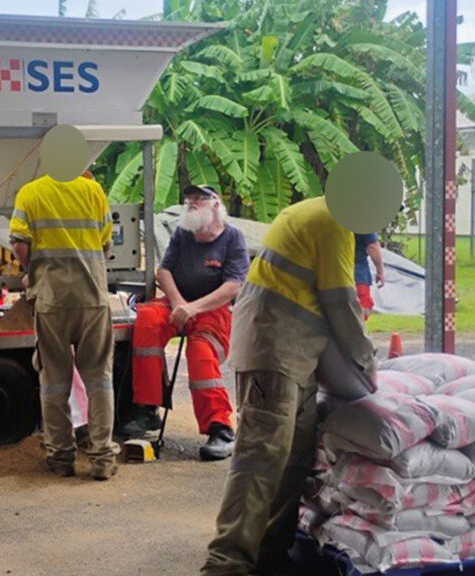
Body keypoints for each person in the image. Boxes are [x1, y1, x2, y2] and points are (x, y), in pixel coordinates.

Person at [202, 196, 377, 576]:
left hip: (295, 355)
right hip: (274, 353)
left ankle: (270, 552)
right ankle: (227, 562)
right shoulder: (333, 223)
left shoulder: (313, 212)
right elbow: (341, 303)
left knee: (294, 461)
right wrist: (367, 362)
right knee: (260, 461)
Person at [119, 185, 249, 462]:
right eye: (189, 198)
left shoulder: (233, 238)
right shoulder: (182, 234)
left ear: (215, 204)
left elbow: (233, 286)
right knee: (148, 319)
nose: (191, 203)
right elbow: (164, 270)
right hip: (179, 302)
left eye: (198, 199)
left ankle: (219, 428)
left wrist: (194, 308)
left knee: (201, 353)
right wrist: (179, 304)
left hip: (212, 310)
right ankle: (146, 408)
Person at [10, 171, 117, 481]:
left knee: (55, 379)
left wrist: (34, 271)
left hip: (52, 298)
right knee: (99, 378)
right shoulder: (94, 191)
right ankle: (102, 459)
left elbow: (19, 243)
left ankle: (61, 457)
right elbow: (105, 243)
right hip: (92, 298)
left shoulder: (31, 192)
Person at [355, 232, 385, 320]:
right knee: (363, 305)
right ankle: (356, 331)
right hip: (358, 273)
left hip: (333, 272)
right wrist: (380, 271)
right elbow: (373, 247)